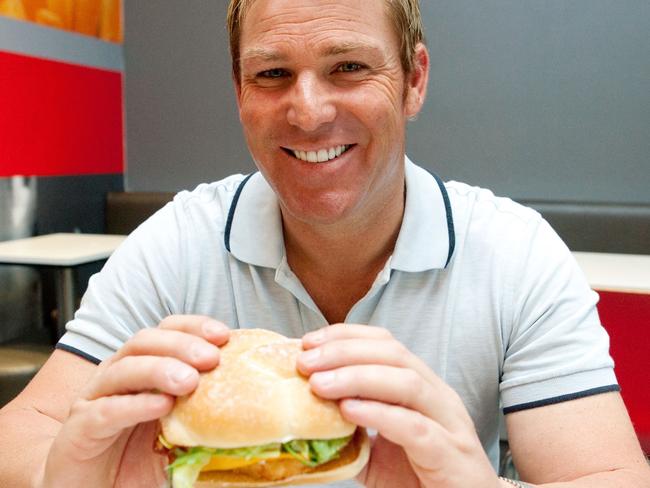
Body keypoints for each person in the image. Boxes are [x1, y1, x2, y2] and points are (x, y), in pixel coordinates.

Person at [1, 1, 648, 486]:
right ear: (240, 92)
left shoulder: (515, 254)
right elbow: (17, 436)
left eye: (348, 67)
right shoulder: (178, 241)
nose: (307, 112)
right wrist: (72, 472)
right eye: (273, 73)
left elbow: (612, 476)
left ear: (414, 79)